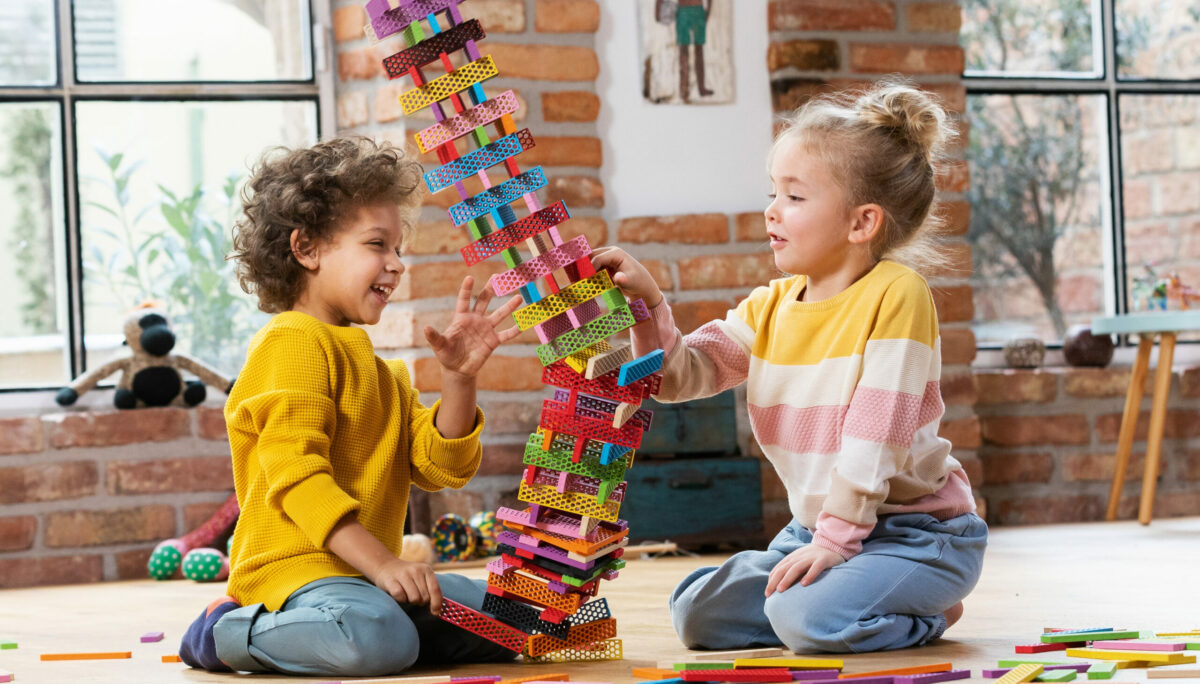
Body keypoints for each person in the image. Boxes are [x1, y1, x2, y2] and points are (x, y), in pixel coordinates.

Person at [593, 79, 988, 653]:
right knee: (696, 614)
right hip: (817, 530)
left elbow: (875, 437)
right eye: (773, 192)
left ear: (861, 223)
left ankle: (925, 612)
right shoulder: (772, 304)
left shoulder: (897, 295)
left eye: (795, 198)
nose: (772, 211)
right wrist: (651, 307)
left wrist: (836, 541)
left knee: (808, 622)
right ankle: (833, 601)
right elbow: (682, 375)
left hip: (916, 535)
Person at [178, 136, 523, 676]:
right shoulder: (290, 341)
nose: (396, 264)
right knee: (374, 637)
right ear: (307, 249)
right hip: (295, 578)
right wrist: (385, 564)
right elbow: (298, 480)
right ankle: (225, 632)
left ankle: (393, 637)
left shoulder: (383, 372)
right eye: (377, 245)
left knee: (524, 615)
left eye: (399, 249)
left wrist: (458, 381)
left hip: (365, 584)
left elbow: (440, 467)